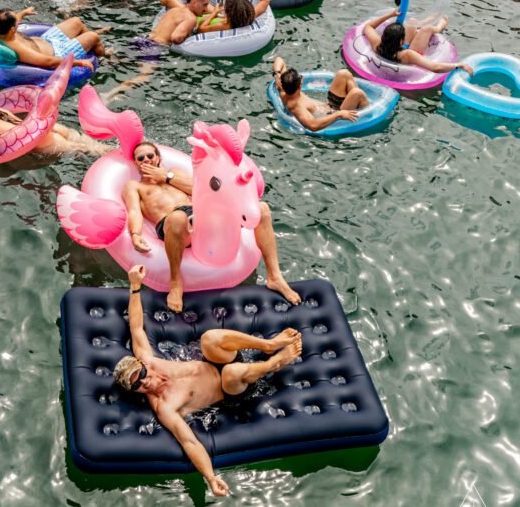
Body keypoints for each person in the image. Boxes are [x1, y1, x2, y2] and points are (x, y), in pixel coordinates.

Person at [112, 264, 303, 496]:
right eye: (136, 385)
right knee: (230, 374)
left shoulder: (149, 361)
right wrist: (211, 478)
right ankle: (274, 363)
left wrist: (134, 286)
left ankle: (269, 344)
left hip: (218, 362)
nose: (143, 382)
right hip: (232, 389)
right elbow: (189, 442)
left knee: (209, 338)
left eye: (140, 375)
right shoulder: (164, 407)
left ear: (142, 366)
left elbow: (137, 328)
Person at [123, 141, 302, 312]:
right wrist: (135, 234)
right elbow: (134, 211)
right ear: (136, 163)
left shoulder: (174, 173)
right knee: (178, 218)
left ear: (158, 157)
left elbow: (201, 189)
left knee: (261, 209)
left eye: (149, 155)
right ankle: (176, 284)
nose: (146, 160)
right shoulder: (134, 186)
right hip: (173, 223)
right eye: (140, 158)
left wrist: (167, 177)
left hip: (200, 216)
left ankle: (275, 276)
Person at [0, 94, 111, 157]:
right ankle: (123, 149)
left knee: (92, 152)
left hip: (46, 142)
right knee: (96, 145)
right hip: (49, 128)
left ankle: (123, 154)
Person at [0, 7, 109, 72]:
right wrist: (79, 62)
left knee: (76, 21)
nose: (18, 20)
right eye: (17, 21)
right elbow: (49, 62)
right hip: (59, 52)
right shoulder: (19, 48)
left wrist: (23, 13)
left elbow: (13, 20)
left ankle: (88, 42)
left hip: (47, 39)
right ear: (12, 29)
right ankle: (104, 59)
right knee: (94, 36)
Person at [363, 9, 474, 75]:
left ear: (383, 37)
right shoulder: (408, 54)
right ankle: (440, 26)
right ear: (401, 42)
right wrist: (458, 65)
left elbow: (368, 26)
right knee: (427, 29)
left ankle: (422, 23)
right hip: (409, 55)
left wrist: (391, 14)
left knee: (412, 22)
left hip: (395, 51)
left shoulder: (377, 45)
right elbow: (435, 67)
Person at [149, 0, 270, 35]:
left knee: (170, 1)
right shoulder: (250, 14)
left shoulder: (224, 26)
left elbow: (201, 28)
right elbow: (265, 0)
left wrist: (215, 13)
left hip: (194, 20)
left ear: (230, 11)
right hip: (218, 15)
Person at [272, 57, 364, 131]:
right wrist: (339, 114)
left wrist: (277, 74)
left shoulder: (283, 89)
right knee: (357, 93)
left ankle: (359, 104)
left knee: (344, 74)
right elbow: (313, 126)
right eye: (300, 77)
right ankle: (366, 112)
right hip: (333, 117)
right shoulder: (296, 106)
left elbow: (279, 59)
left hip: (330, 106)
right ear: (300, 86)